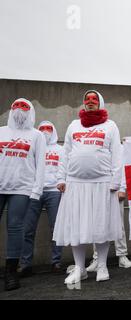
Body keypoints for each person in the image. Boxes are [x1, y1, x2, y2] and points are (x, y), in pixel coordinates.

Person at [53, 90, 123, 285]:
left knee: (101, 225)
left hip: (102, 183)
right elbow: (65, 153)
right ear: (83, 103)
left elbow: (117, 154)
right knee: (77, 226)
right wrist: (61, 178)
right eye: (87, 99)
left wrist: (116, 181)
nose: (90, 102)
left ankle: (102, 265)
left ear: (100, 103)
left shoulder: (110, 126)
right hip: (75, 184)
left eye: (94, 99)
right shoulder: (74, 125)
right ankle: (80, 268)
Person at [0, 98, 46, 291]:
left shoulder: (36, 135)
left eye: (24, 106)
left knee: (15, 227)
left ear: (31, 111)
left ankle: (11, 271)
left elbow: (41, 165)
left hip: (22, 187)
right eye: (16, 105)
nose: (19, 109)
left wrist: (36, 190)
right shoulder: (1, 131)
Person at [19, 121, 64, 277]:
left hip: (54, 192)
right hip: (34, 192)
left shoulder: (61, 149)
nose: (45, 131)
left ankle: (56, 262)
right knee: (27, 229)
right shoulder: (33, 147)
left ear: (54, 131)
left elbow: (64, 169)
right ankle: (25, 265)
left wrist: (60, 183)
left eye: (49, 128)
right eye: (42, 128)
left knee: (56, 229)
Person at [81, 143, 131, 272]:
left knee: (119, 224)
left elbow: (122, 169)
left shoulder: (119, 147)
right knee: (96, 224)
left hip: (114, 190)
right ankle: (96, 259)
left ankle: (122, 256)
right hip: (98, 189)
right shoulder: (94, 146)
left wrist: (122, 189)